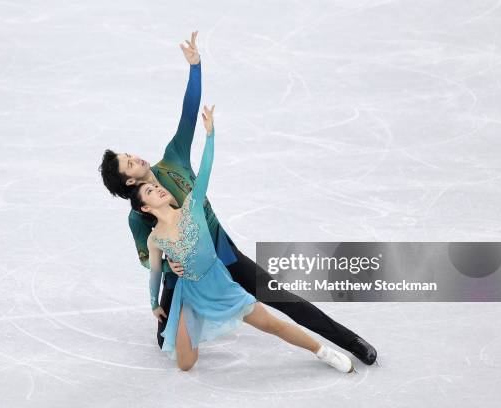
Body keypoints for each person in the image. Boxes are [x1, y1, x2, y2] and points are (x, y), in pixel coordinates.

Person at [99, 30, 377, 365]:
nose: (138, 158)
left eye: (131, 153)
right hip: (185, 274)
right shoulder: (138, 213)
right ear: (129, 180)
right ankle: (197, 311)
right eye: (131, 162)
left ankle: (350, 341)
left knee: (279, 296)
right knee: (164, 342)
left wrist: (195, 67)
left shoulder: (173, 158)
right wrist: (167, 267)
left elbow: (188, 115)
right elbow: (147, 257)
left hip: (221, 248)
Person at [130, 105, 355, 372]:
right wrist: (155, 304)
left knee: (273, 325)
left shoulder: (191, 206)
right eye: (151, 191)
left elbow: (205, 168)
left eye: (156, 185)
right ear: (145, 207)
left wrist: (210, 135)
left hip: (219, 284)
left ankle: (323, 352)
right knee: (185, 364)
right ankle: (197, 324)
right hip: (189, 294)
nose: (158, 188)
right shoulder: (155, 239)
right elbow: (155, 272)